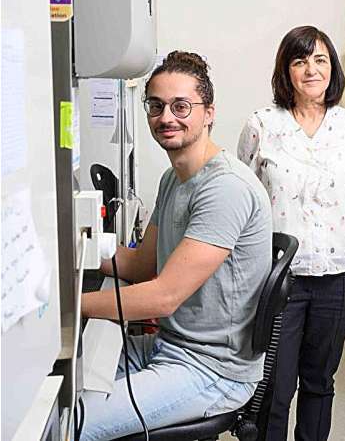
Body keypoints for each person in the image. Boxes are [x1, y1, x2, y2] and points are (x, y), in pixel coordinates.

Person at [80, 51, 273, 440]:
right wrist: (75, 248)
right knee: (63, 383)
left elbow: (163, 297)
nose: (166, 117)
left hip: (211, 369)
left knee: (71, 425)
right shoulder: (174, 179)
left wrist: (63, 308)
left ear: (209, 112)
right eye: (156, 105)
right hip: (170, 346)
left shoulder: (225, 188)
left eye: (181, 105)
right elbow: (139, 266)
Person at [237, 26, 345, 441]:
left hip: (341, 275)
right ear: (286, 71)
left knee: (320, 382)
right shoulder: (262, 124)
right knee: (275, 387)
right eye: (300, 61)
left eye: (320, 60)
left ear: (332, 68)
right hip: (281, 281)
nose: (311, 70)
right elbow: (243, 199)